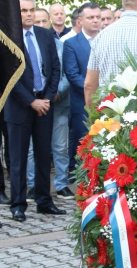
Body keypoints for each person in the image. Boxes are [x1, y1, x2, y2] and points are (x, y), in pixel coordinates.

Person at [4, 0, 66, 222]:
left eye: (31, 10)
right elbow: (8, 75)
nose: (28, 14)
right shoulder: (7, 38)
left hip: (45, 105)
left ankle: (44, 201)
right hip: (20, 106)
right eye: (23, 11)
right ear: (15, 13)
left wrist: (47, 98)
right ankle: (18, 205)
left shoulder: (44, 34)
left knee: (43, 155)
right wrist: (31, 101)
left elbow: (55, 69)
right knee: (19, 158)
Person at [84, 0, 137, 104]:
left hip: (108, 114)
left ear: (124, 4)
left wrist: (93, 118)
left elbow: (89, 84)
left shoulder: (101, 36)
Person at [27, 12, 73, 200]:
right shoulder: (23, 43)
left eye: (43, 21)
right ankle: (33, 185)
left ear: (49, 22)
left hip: (58, 105)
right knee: (31, 149)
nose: (40, 24)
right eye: (36, 21)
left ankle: (62, 184)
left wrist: (54, 94)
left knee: (60, 147)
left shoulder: (61, 46)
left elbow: (66, 74)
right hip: (31, 106)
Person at [64, 3, 101, 179]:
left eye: (97, 17)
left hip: (107, 101)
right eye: (90, 17)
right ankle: (80, 179)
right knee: (81, 140)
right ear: (80, 20)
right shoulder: (71, 44)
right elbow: (72, 74)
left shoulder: (106, 39)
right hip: (82, 102)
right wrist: (94, 91)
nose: (95, 21)